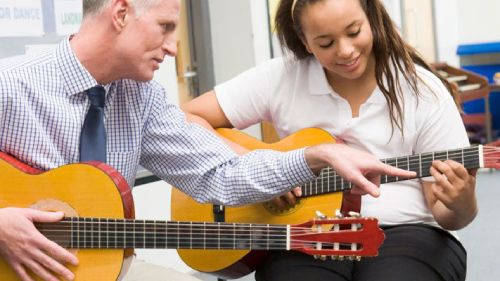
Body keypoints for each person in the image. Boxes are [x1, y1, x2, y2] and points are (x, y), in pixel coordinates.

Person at [0, 1, 415, 281]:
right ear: (122, 12)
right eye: (165, 27)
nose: (173, 47)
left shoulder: (142, 99)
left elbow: (221, 175)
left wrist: (313, 156)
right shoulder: (10, 84)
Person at [182, 0, 478, 280]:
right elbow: (185, 118)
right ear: (304, 40)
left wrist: (461, 203)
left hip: (410, 231)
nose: (346, 51)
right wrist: (257, 168)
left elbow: (449, 217)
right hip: (307, 232)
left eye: (354, 32)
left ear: (371, 17)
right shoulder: (282, 77)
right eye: (326, 43)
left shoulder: (423, 90)